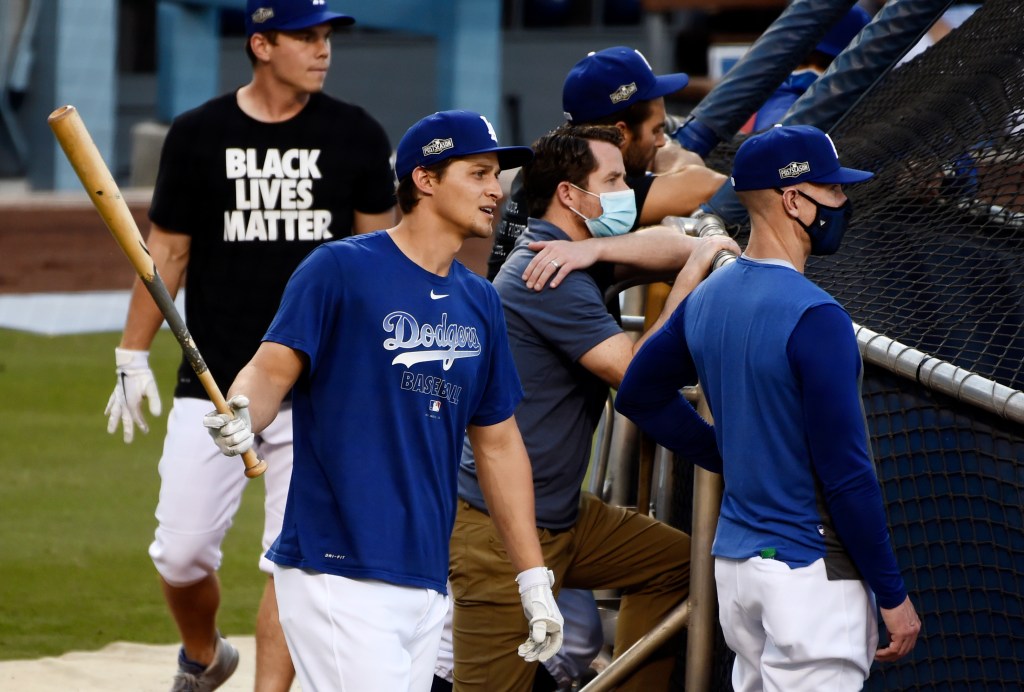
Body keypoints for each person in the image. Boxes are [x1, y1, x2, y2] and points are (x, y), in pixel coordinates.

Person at [204, 109, 564, 692]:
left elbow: (498, 445)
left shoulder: (480, 302)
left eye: (495, 176)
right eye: (478, 173)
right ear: (425, 179)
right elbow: (270, 370)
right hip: (339, 570)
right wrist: (242, 408)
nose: (496, 190)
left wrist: (533, 577)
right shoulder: (340, 269)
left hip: (425, 581)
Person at [102, 1, 397, 689]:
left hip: (319, 391)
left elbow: (381, 260)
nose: (323, 50)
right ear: (261, 45)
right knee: (179, 555)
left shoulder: (356, 134)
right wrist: (132, 353)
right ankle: (204, 654)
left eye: (326, 37)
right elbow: (166, 253)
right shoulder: (198, 135)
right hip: (212, 384)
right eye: (306, 37)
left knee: (287, 566)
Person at [614, 124, 922, 691]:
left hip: (736, 569)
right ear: (794, 200)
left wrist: (725, 453)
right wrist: (892, 593)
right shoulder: (817, 316)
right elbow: (847, 475)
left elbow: (639, 392)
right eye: (833, 189)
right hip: (809, 573)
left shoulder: (709, 296)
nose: (842, 202)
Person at [449, 124, 739, 691]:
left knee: (679, 566)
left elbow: (675, 243)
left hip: (559, 514)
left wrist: (600, 247)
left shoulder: (572, 254)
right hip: (499, 532)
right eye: (613, 181)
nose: (627, 192)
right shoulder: (545, 272)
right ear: (570, 194)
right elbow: (638, 376)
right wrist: (691, 277)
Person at [486, 45, 727, 279]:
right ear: (621, 133)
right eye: (656, 130)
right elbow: (708, 185)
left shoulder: (555, 157)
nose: (662, 142)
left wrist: (597, 248)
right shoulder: (592, 182)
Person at [745, 5, 872, 132]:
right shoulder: (779, 97)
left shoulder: (864, 101)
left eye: (825, 64)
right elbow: (780, 130)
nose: (810, 69)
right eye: (803, 60)